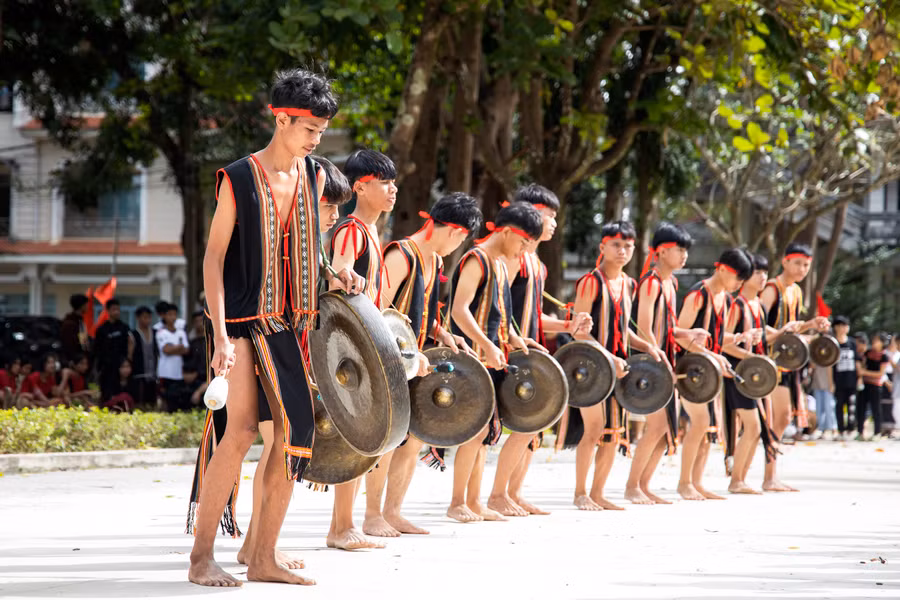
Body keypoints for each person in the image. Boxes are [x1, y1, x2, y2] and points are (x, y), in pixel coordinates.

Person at [186, 68, 360, 587]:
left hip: (290, 324)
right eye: (309, 129)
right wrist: (220, 335)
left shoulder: (313, 176)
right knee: (240, 432)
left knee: (291, 437)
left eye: (322, 131)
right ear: (280, 118)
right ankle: (200, 558)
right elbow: (213, 257)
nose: (316, 139)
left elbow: (306, 244)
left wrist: (335, 271)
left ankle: (262, 556)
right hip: (241, 321)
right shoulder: (238, 177)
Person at [237, 154, 352, 567]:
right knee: (276, 446)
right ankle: (256, 547)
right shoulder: (282, 235)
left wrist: (337, 277)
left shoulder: (312, 247)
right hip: (265, 346)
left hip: (288, 353)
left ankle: (257, 544)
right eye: (327, 205)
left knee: (277, 448)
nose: (334, 216)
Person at [362, 192, 482, 537]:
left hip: (414, 360)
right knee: (389, 439)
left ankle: (393, 512)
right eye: (460, 239)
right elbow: (376, 311)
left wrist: (444, 334)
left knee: (414, 438)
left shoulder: (435, 261)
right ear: (453, 231)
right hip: (388, 359)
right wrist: (409, 353)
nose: (458, 246)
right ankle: (371, 515)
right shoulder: (402, 254)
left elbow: (422, 313)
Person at [487, 184, 592, 517]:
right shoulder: (513, 258)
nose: (554, 223)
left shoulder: (537, 264)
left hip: (530, 349)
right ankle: (497, 494)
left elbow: (534, 317)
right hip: (510, 350)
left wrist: (568, 326)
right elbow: (499, 308)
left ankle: (514, 493)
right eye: (549, 216)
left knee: (537, 422)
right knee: (524, 425)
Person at [446, 202, 546, 523]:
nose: (524, 249)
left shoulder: (501, 264)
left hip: (491, 359)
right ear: (505, 232)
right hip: (473, 359)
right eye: (523, 242)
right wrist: (488, 345)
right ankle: (457, 502)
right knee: (474, 433)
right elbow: (459, 310)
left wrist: (515, 338)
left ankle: (475, 502)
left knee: (485, 435)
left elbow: (500, 315)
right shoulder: (476, 259)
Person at [326, 148, 398, 551]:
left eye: (393, 182)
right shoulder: (352, 229)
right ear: (360, 187)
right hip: (349, 350)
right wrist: (344, 273)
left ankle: (345, 524)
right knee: (354, 437)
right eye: (384, 182)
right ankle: (341, 527)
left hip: (366, 347)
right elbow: (339, 269)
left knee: (363, 435)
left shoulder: (372, 232)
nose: (393, 189)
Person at [564, 221, 664, 511]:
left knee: (613, 433)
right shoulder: (591, 282)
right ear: (603, 247)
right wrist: (608, 356)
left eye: (628, 246)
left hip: (618, 367)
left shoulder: (630, 284)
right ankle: (580, 493)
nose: (622, 251)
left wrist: (647, 346)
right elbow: (578, 330)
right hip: (589, 366)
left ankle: (598, 493)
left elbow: (623, 329)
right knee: (594, 429)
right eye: (616, 245)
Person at [625, 222, 707, 505]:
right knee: (658, 425)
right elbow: (645, 327)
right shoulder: (651, 282)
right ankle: (632, 486)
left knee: (666, 430)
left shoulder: (670, 283)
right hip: (650, 363)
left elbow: (668, 329)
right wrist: (660, 362)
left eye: (685, 250)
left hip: (663, 361)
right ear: (660, 252)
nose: (684, 255)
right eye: (678, 249)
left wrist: (688, 334)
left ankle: (644, 485)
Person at [676, 248, 755, 501]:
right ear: (721, 269)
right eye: (738, 278)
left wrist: (739, 337)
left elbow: (717, 338)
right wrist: (711, 355)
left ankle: (696, 482)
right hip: (689, 369)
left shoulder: (726, 299)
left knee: (707, 430)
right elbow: (679, 336)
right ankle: (684, 482)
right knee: (700, 423)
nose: (740, 284)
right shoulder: (698, 294)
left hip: (708, 371)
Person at [759, 243, 830, 491]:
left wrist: (811, 324)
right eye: (798, 263)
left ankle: (770, 475)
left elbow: (792, 328)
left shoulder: (796, 291)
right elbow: (758, 325)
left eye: (806, 265)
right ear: (785, 261)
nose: (802, 269)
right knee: (778, 417)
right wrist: (784, 331)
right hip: (769, 362)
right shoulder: (772, 289)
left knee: (782, 418)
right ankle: (764, 476)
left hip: (788, 363)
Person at [721, 253, 783, 494]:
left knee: (756, 429)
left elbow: (763, 338)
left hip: (755, 375)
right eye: (758, 272)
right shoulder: (737, 305)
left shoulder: (759, 305)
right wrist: (751, 357)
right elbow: (723, 343)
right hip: (738, 374)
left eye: (765, 272)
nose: (763, 277)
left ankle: (741, 479)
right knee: (753, 426)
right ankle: (736, 480)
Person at [93, 298, 133, 402]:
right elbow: (97, 349)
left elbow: (130, 343)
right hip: (107, 368)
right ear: (108, 311)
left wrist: (128, 360)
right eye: (114, 309)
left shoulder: (124, 328)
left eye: (118, 309)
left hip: (121, 368)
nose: (117, 312)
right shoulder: (102, 329)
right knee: (107, 393)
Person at [157, 303, 190, 412]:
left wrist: (172, 348)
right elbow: (166, 350)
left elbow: (186, 350)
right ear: (164, 316)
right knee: (166, 398)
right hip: (165, 372)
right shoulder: (161, 332)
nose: (172, 317)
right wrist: (179, 347)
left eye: (174, 314)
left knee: (177, 399)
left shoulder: (181, 332)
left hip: (178, 372)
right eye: (170, 314)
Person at [856, 332, 889, 440]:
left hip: (876, 386)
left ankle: (877, 433)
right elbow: (862, 365)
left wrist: (865, 372)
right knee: (861, 408)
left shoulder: (884, 357)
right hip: (864, 385)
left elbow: (880, 373)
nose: (874, 342)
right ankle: (860, 432)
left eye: (877, 340)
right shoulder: (868, 353)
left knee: (876, 410)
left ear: (882, 342)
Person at [832, 316, 857, 437]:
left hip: (851, 380)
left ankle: (851, 429)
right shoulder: (832, 342)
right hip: (838, 380)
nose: (843, 328)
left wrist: (859, 378)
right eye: (841, 325)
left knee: (851, 405)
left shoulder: (852, 343)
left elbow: (857, 361)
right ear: (836, 327)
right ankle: (840, 430)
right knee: (839, 406)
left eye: (845, 326)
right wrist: (831, 382)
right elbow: (830, 365)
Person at [60, 293, 90, 361]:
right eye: (86, 304)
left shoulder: (80, 321)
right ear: (81, 306)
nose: (87, 306)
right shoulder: (70, 323)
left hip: (82, 360)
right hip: (75, 361)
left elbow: (83, 341)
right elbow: (69, 346)